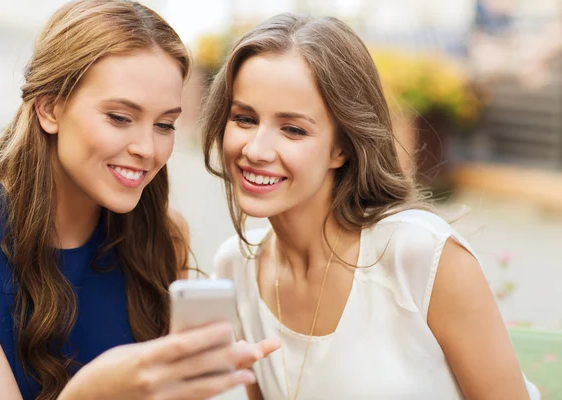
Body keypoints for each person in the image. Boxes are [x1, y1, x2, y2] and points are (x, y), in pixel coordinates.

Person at [202, 13, 540, 400]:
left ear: (342, 146)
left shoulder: (422, 257)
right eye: (244, 118)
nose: (256, 150)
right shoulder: (235, 267)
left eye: (293, 129)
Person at [0, 1, 278, 399]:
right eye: (120, 118)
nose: (147, 148)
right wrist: (90, 393)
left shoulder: (164, 235)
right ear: (49, 108)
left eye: (165, 124)